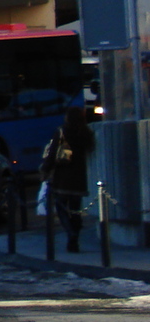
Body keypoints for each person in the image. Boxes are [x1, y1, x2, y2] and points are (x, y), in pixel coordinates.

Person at [40, 106, 93, 252]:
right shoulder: (86, 132)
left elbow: (52, 154)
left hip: (63, 176)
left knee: (61, 205)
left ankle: (71, 233)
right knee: (75, 209)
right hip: (80, 176)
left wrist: (45, 169)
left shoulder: (62, 132)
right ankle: (74, 237)